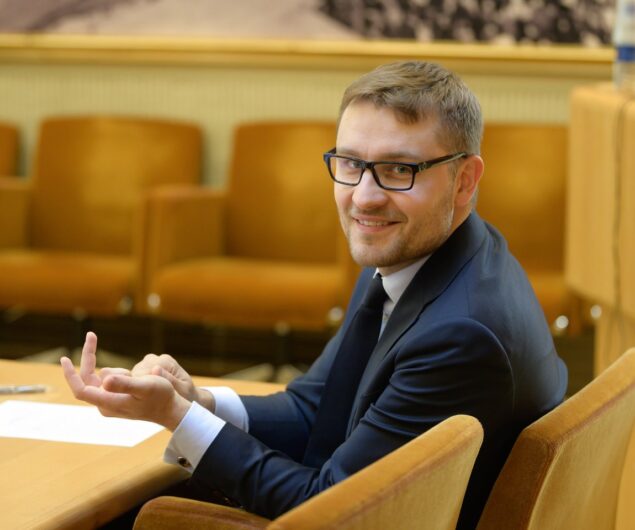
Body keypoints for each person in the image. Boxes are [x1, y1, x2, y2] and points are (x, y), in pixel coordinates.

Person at [61, 60, 567, 529]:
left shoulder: (460, 335)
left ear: (465, 180)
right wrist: (197, 400)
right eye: (350, 163)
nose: (364, 197)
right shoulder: (426, 256)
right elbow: (316, 407)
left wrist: (177, 417)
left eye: (399, 169)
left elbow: (330, 507)